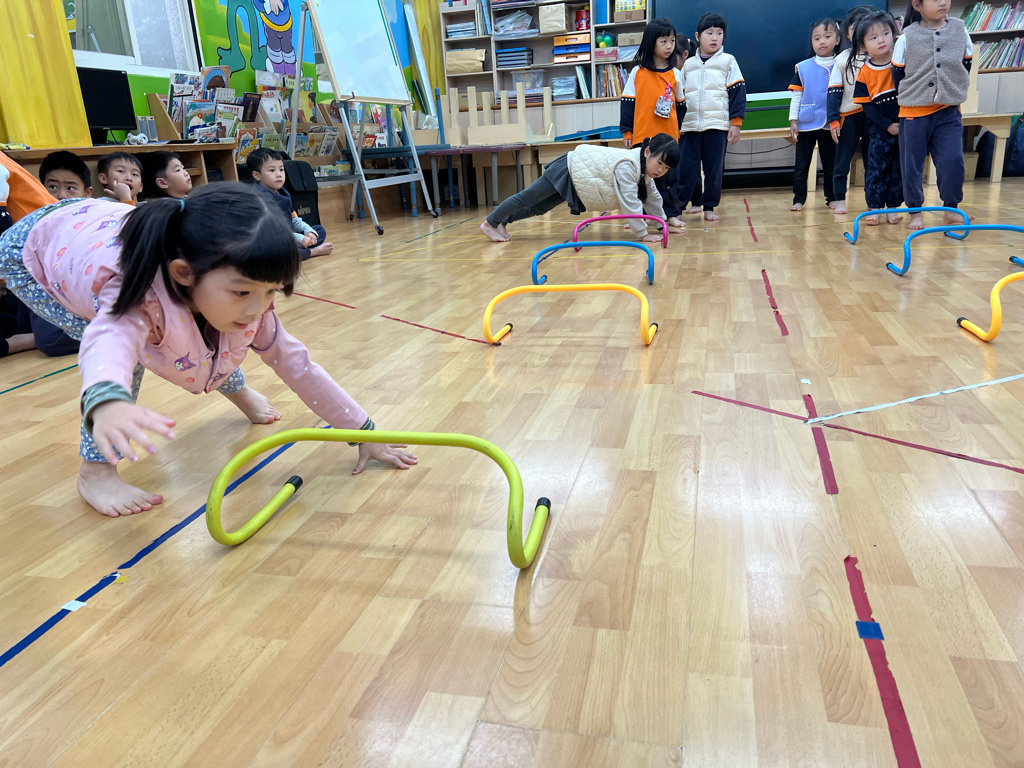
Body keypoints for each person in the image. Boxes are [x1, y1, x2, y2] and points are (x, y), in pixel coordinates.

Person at [0, 184, 416, 517]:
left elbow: (297, 364)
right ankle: (95, 472)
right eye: (243, 292)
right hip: (33, 250)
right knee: (132, 358)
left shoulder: (247, 300)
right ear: (184, 273)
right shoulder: (133, 293)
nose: (257, 309)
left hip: (91, 224)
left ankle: (236, 390)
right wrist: (106, 399)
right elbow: (108, 342)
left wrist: (363, 432)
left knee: (220, 333)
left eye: (271, 291)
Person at [479, 133, 684, 243]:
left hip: (577, 178)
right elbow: (630, 201)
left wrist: (661, 226)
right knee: (528, 197)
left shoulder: (644, 171)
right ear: (647, 152)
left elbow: (653, 198)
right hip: (568, 169)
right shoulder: (628, 166)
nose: (661, 170)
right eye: (659, 163)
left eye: (666, 168)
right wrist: (643, 234)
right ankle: (490, 223)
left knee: (538, 208)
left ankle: (502, 221)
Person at [894, 0, 974, 230]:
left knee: (953, 161)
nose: (942, 2)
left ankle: (951, 209)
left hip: (948, 111)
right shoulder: (907, 36)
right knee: (912, 166)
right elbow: (897, 74)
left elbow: (965, 64)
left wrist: (950, 89)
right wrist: (918, 95)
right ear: (917, 5)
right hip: (914, 112)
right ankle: (914, 212)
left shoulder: (960, 29)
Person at [675, 12, 746, 222]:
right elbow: (679, 97)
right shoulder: (688, 65)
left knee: (713, 170)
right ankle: (677, 208)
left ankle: (709, 206)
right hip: (689, 127)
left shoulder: (728, 61)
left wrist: (736, 123)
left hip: (716, 126)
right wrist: (678, 125)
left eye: (719, 33)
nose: (714, 37)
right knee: (686, 170)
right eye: (709, 33)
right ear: (698, 36)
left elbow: (738, 93)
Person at [620, 17, 687, 229]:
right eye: (663, 41)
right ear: (651, 42)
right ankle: (638, 218)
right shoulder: (637, 73)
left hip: (669, 138)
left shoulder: (675, 74)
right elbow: (628, 104)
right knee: (641, 180)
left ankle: (671, 215)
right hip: (643, 137)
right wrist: (627, 132)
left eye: (672, 41)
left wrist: (676, 129)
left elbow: (681, 105)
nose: (669, 46)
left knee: (668, 179)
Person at [852, 11, 904, 224]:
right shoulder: (865, 72)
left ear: (894, 34)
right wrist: (886, 125)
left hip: (906, 125)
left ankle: (893, 208)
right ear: (863, 46)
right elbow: (867, 105)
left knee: (899, 169)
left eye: (885, 33)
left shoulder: (902, 62)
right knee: (876, 168)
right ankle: (874, 208)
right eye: (873, 37)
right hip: (879, 130)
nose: (881, 40)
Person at [827, 6, 875, 215]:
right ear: (847, 33)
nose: (859, 31)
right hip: (849, 115)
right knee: (842, 160)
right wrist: (834, 121)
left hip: (875, 116)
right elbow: (834, 92)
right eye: (854, 28)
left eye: (864, 26)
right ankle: (839, 199)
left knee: (873, 159)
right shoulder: (841, 60)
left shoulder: (880, 56)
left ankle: (873, 201)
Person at [789, 19, 840, 211]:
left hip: (831, 124)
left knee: (830, 163)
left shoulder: (842, 64)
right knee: (802, 164)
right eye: (817, 38)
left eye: (827, 36)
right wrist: (793, 120)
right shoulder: (802, 67)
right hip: (806, 123)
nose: (822, 41)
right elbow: (796, 96)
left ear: (837, 39)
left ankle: (832, 197)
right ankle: (798, 199)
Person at [246, 148, 333, 260]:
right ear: (257, 175)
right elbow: (274, 232)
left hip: (289, 236)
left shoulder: (282, 192)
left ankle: (300, 249)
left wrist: (308, 231)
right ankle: (310, 252)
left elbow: (294, 219)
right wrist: (299, 238)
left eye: (281, 169)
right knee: (275, 250)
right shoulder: (260, 198)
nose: (279, 174)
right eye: (272, 170)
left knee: (319, 230)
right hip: (269, 239)